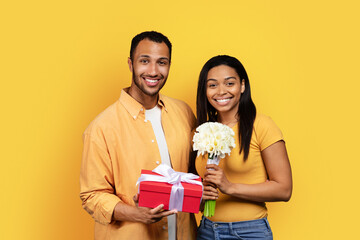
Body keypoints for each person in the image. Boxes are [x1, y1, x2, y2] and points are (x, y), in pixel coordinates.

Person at [80, 31, 197, 240]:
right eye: (145, 61)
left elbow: (193, 175)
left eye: (162, 62)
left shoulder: (184, 113)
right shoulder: (101, 128)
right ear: (130, 64)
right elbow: (92, 196)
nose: (153, 71)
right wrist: (136, 214)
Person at [193, 55, 292, 240]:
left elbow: (284, 189)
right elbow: (197, 194)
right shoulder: (203, 131)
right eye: (212, 85)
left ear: (243, 86)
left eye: (229, 83)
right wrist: (201, 196)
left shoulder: (262, 125)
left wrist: (230, 187)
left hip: (249, 232)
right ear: (205, 91)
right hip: (206, 230)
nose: (221, 91)